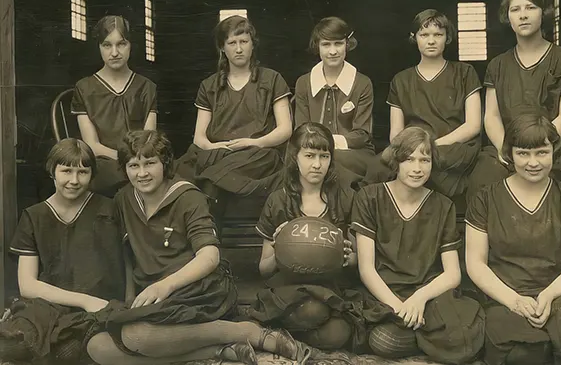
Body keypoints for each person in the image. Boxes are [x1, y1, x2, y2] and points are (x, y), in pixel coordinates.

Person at [86, 130, 315, 365]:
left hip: (197, 289)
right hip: (154, 294)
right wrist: (131, 301)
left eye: (150, 163)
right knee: (98, 347)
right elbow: (128, 254)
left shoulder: (187, 196)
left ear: (165, 163)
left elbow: (209, 256)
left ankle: (247, 333)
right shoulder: (124, 199)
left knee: (136, 336)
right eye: (133, 166)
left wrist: (165, 286)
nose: (142, 173)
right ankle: (220, 351)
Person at [465, 113, 561, 365]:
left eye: (541, 152)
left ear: (553, 151)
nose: (533, 162)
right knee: (525, 356)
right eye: (523, 153)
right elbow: (476, 264)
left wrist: (548, 295)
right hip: (507, 297)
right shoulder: (485, 200)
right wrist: (514, 301)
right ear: (509, 154)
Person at [351, 127, 485, 363]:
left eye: (425, 160)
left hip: (428, 292)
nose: (417, 168)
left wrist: (419, 299)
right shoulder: (370, 197)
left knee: (464, 336)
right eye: (409, 159)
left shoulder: (443, 205)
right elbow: (366, 269)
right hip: (387, 293)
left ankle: (427, 333)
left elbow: (452, 273)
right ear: (396, 161)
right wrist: (399, 307)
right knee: (383, 340)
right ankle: (430, 337)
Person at [0, 138, 125, 364]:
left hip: (100, 306)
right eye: (66, 171)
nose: (74, 180)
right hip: (50, 307)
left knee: (71, 350)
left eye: (83, 172)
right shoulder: (35, 216)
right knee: (11, 344)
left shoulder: (110, 209)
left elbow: (128, 261)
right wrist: (83, 300)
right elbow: (27, 286)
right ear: (52, 172)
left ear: (92, 174)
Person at [248, 122, 359, 352]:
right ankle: (282, 333)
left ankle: (280, 338)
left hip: (329, 288)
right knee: (313, 311)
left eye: (324, 156)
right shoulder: (279, 201)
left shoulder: (345, 199)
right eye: (309, 155)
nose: (317, 164)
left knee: (339, 333)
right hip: (289, 290)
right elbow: (264, 269)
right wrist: (280, 250)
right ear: (294, 158)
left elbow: (357, 260)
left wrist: (348, 257)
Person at [467, 0, 561, 199]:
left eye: (530, 7)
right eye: (515, 9)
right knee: (483, 180)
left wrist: (535, 149)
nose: (523, 15)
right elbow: (491, 117)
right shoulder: (498, 65)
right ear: (508, 17)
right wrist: (508, 148)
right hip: (507, 148)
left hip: (552, 147)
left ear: (544, 13)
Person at [175, 15, 292, 221]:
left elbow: (285, 129)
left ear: (252, 45)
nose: (239, 49)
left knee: (211, 180)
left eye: (244, 42)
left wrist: (255, 142)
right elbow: (199, 137)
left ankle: (209, 240)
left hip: (257, 154)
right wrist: (215, 148)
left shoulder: (272, 79)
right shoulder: (209, 86)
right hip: (217, 153)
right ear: (222, 47)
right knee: (185, 169)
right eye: (232, 43)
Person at [363, 9, 481, 199]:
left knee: (431, 163)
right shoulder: (401, 80)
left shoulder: (465, 73)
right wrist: (411, 149)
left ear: (447, 37)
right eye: (424, 35)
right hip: (411, 147)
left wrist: (430, 146)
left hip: (452, 146)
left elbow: (473, 125)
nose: (431, 40)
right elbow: (396, 132)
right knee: (378, 167)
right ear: (414, 37)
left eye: (438, 35)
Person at [71, 15, 158, 197]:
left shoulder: (146, 87)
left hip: (141, 160)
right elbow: (92, 145)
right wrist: (126, 161)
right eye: (107, 45)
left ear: (130, 46)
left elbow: (149, 140)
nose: (115, 52)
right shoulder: (84, 88)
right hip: (104, 162)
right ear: (99, 47)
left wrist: (136, 162)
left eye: (121, 44)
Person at [294, 17, 375, 186]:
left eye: (338, 43)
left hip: (354, 153)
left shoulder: (362, 83)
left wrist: (328, 147)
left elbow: (362, 134)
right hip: (312, 152)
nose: (332, 51)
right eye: (326, 44)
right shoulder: (303, 83)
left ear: (347, 44)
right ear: (317, 46)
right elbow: (301, 129)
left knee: (330, 163)